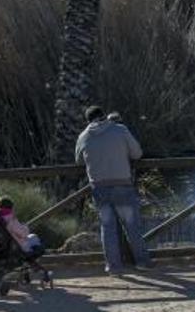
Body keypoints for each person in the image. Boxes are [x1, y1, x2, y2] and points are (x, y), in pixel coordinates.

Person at [75, 106, 153, 274]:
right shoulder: (120, 130)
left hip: (98, 187)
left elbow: (79, 161)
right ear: (104, 116)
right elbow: (137, 154)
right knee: (132, 226)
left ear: (88, 120)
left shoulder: (83, 136)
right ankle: (142, 262)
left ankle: (113, 266)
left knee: (107, 227)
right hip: (122, 184)